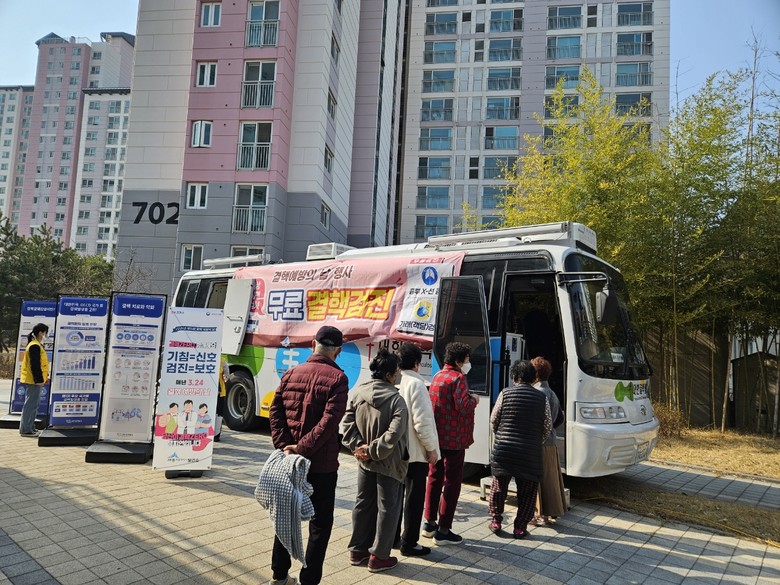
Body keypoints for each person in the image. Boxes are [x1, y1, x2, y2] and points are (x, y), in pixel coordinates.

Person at [269, 326, 349, 585]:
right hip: (321, 466)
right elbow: (329, 422)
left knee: (285, 517)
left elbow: (275, 410)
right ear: (338, 350)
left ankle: (279, 575)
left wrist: (285, 446)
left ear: (313, 344)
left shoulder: (291, 373)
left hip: (289, 463)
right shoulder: (339, 379)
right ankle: (309, 580)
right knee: (320, 525)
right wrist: (302, 448)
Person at [342, 349, 409, 573]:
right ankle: (379, 557)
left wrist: (359, 447)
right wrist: (372, 450)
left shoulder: (358, 393)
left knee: (363, 503)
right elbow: (394, 434)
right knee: (388, 508)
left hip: (364, 460)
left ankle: (357, 550)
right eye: (396, 370)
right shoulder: (397, 401)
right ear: (389, 375)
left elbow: (347, 425)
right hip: (389, 462)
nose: (399, 374)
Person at [488, 360, 552, 539]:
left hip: (504, 451)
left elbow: (494, 420)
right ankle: (520, 528)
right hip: (530, 454)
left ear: (514, 376)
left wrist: (501, 435)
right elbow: (547, 426)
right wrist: (535, 442)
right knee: (528, 492)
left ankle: (496, 521)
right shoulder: (542, 398)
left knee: (499, 487)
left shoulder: (505, 393)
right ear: (533, 378)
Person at [423, 341, 478, 546]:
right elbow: (463, 406)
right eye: (467, 359)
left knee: (434, 478)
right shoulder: (458, 378)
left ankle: (429, 523)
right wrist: (474, 400)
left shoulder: (438, 375)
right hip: (454, 439)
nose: (468, 363)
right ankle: (444, 530)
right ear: (458, 361)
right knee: (452, 483)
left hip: (437, 437)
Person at [395, 342, 439, 557]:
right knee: (414, 499)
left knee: (395, 497)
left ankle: (393, 538)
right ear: (416, 363)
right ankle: (409, 542)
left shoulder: (395, 381)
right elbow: (422, 422)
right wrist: (431, 448)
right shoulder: (417, 384)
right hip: (415, 452)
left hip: (397, 450)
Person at [530, 356, 567, 525]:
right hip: (551, 442)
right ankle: (546, 514)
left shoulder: (537, 393)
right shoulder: (552, 393)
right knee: (549, 480)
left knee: (536, 479)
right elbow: (560, 418)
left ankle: (536, 514)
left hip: (538, 442)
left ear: (535, 374)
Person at [19, 323, 49, 437]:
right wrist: (39, 379)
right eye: (45, 333)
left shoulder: (36, 345)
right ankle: (26, 429)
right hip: (34, 381)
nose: (45, 335)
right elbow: (35, 365)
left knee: (33, 405)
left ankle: (30, 427)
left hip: (35, 380)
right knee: (30, 405)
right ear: (40, 333)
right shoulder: (34, 346)